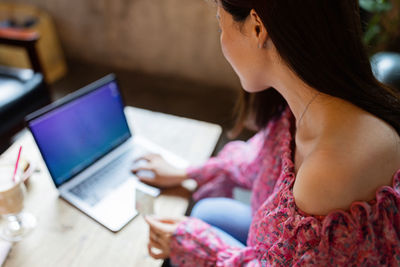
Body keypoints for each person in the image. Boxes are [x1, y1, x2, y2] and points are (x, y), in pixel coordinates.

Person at [131, 0, 400, 265]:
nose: (222, 40)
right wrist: (186, 172)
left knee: (195, 223)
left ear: (257, 28)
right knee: (206, 210)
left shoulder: (328, 174)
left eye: (220, 25)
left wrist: (198, 248)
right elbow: (258, 158)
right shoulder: (308, 104)